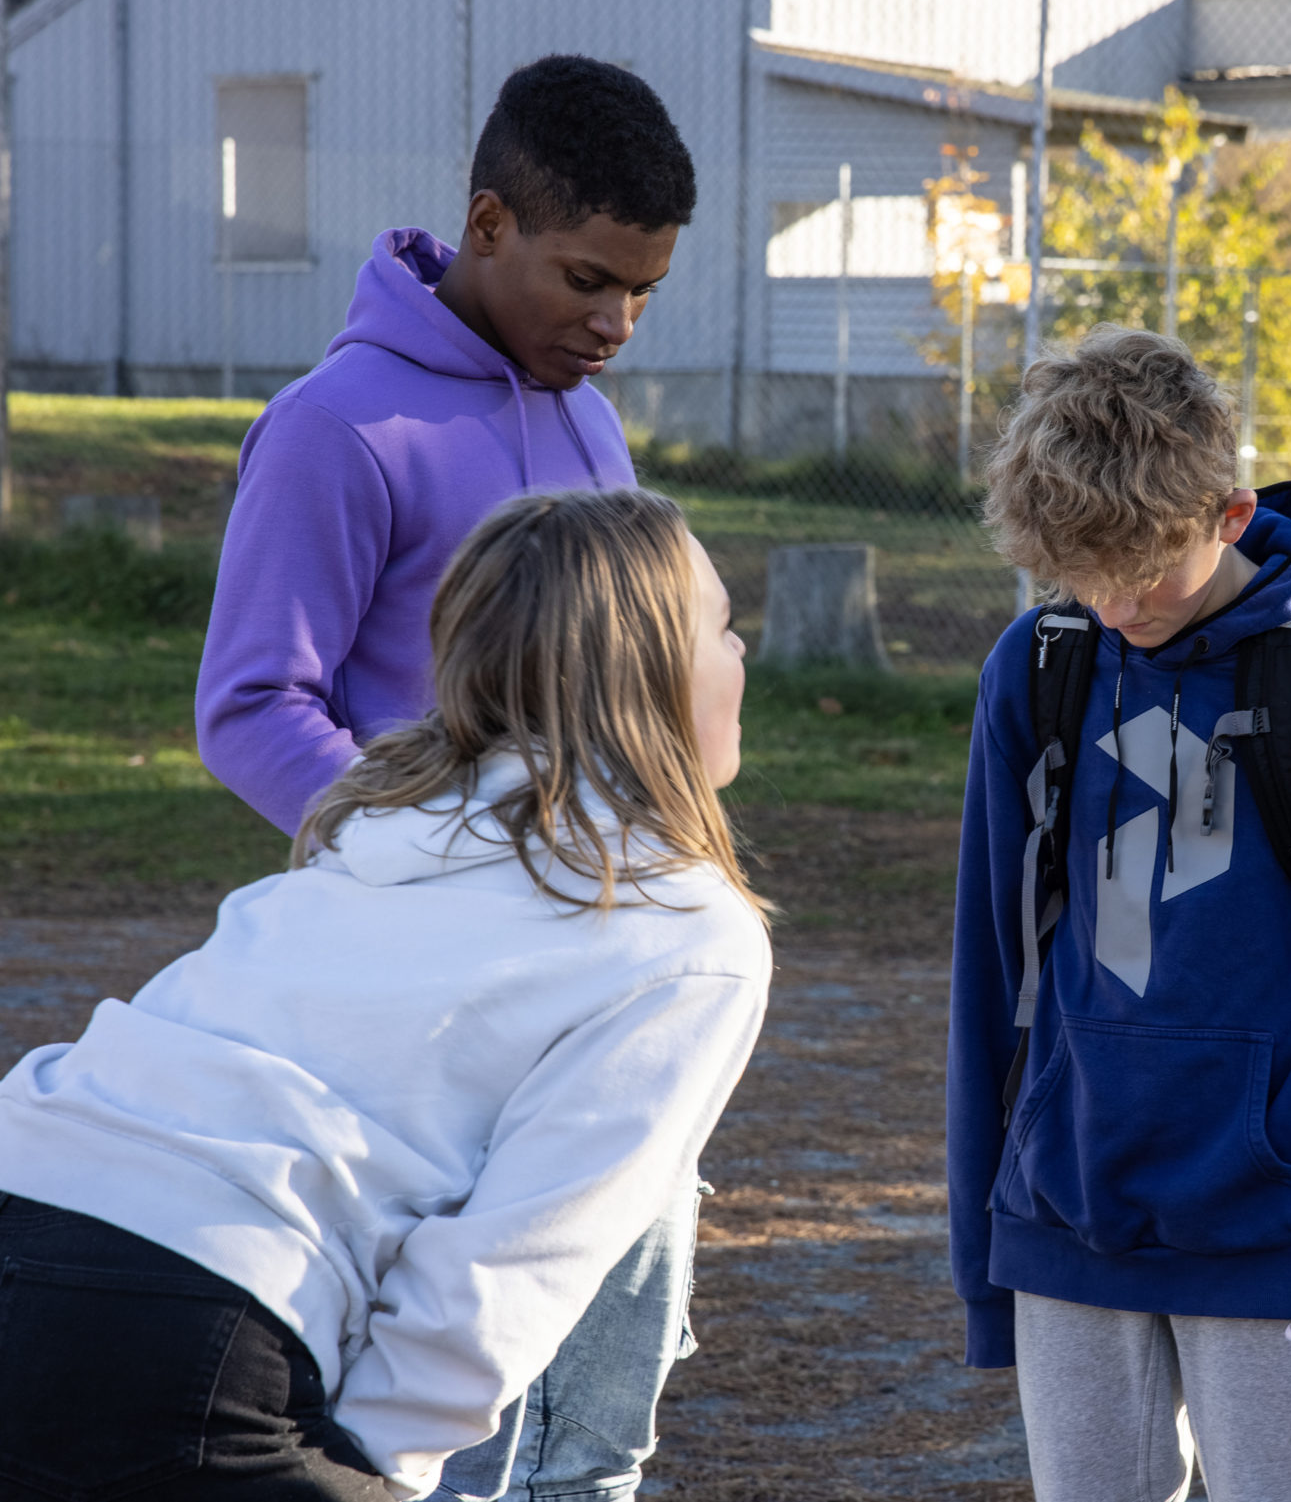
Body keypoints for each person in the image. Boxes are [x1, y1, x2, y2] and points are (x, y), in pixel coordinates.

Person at [0, 488, 768, 1501]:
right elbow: (511, 1263)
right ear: (655, 674)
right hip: (197, 1309)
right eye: (721, 625)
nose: (742, 651)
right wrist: (375, 1472)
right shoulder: (687, 934)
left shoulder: (378, 820)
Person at [194, 55, 702, 1500]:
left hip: (615, 976)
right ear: (488, 224)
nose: (615, 324)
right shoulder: (338, 426)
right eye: (588, 278)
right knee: (451, 1421)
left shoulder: (592, 420)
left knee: (602, 1422)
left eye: (643, 294)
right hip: (437, 1009)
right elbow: (250, 706)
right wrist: (444, 865)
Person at [946, 327, 1291, 1502]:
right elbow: (988, 977)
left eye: (1146, 566)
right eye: (1080, 574)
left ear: (1232, 512)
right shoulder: (1035, 666)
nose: (1116, 601)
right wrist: (984, 1260)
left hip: (1274, 1234)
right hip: (1064, 1219)